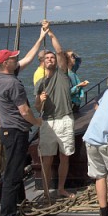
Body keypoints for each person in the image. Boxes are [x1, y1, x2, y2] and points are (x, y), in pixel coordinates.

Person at [0, 22, 49, 216]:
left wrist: (39, 37)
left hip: (9, 131)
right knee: (13, 175)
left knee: (13, 171)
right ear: (6, 63)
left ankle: (16, 205)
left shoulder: (0, 77)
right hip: (17, 132)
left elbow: (27, 59)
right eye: (13, 58)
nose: (16, 58)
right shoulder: (13, 84)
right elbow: (25, 111)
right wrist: (38, 123)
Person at [34, 26, 75, 200]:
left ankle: (61, 189)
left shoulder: (63, 73)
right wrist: (39, 100)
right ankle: (45, 193)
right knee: (47, 160)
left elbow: (59, 51)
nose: (51, 59)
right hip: (48, 123)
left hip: (65, 119)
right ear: (42, 63)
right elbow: (36, 108)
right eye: (47, 58)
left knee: (65, 156)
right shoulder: (40, 83)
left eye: (52, 58)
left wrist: (49, 33)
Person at [83, 82, 108, 216]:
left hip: (91, 137)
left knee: (99, 176)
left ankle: (104, 213)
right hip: (106, 142)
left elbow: (96, 107)